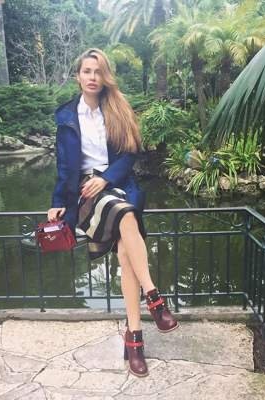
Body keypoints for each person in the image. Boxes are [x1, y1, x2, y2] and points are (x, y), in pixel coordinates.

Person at [47, 48, 178, 377]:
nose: (92, 77)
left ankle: (135, 339)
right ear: (78, 76)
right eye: (86, 71)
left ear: (105, 77)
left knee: (125, 254)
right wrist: (57, 200)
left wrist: (106, 178)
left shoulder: (118, 108)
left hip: (118, 184)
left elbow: (130, 154)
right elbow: (64, 166)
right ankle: (154, 299)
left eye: (98, 71)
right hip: (86, 192)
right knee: (126, 215)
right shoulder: (66, 116)